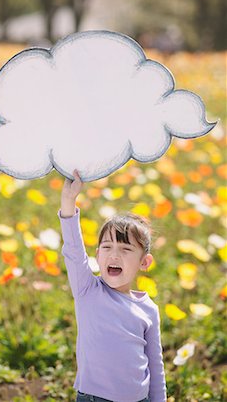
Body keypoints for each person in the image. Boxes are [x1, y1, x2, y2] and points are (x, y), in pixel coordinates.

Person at [57, 169, 167, 402]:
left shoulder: (149, 309)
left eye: (126, 249)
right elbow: (74, 251)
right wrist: (68, 201)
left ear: (144, 262)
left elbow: (155, 367)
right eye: (107, 247)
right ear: (97, 255)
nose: (114, 255)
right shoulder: (87, 289)